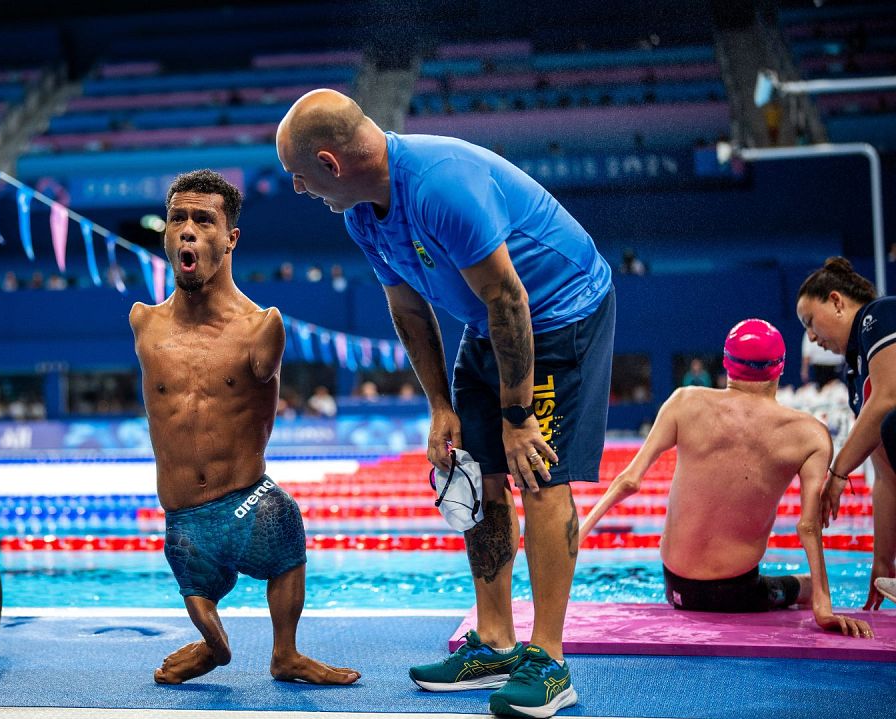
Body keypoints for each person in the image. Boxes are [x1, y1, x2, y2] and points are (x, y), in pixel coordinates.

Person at [277, 89, 613, 718]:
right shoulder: (361, 216)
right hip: (489, 324)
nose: (298, 188)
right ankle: (494, 641)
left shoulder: (441, 186)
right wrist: (439, 404)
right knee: (477, 473)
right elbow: (408, 309)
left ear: (329, 163)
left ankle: (550, 661)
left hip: (560, 313)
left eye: (298, 174)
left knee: (537, 472)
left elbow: (511, 299)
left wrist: (518, 418)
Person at [129, 169, 359, 686]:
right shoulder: (144, 322)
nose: (188, 230)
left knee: (284, 516)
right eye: (177, 219)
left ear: (230, 239)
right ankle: (214, 646)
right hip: (183, 519)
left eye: (203, 220)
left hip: (248, 500)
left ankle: (286, 654)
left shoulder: (261, 328)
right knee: (202, 603)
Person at [580, 319, 872, 638]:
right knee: (804, 584)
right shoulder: (810, 434)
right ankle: (806, 591)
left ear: (726, 363)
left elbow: (629, 481)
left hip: (676, 587)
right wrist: (823, 607)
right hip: (739, 593)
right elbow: (809, 525)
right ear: (780, 368)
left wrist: (576, 539)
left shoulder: (684, 402)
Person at [796, 257, 896, 610]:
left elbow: (889, 396)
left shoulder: (878, 315)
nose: (810, 337)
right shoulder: (856, 378)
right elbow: (886, 476)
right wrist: (882, 563)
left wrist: (838, 474)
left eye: (810, 322)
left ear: (837, 301)